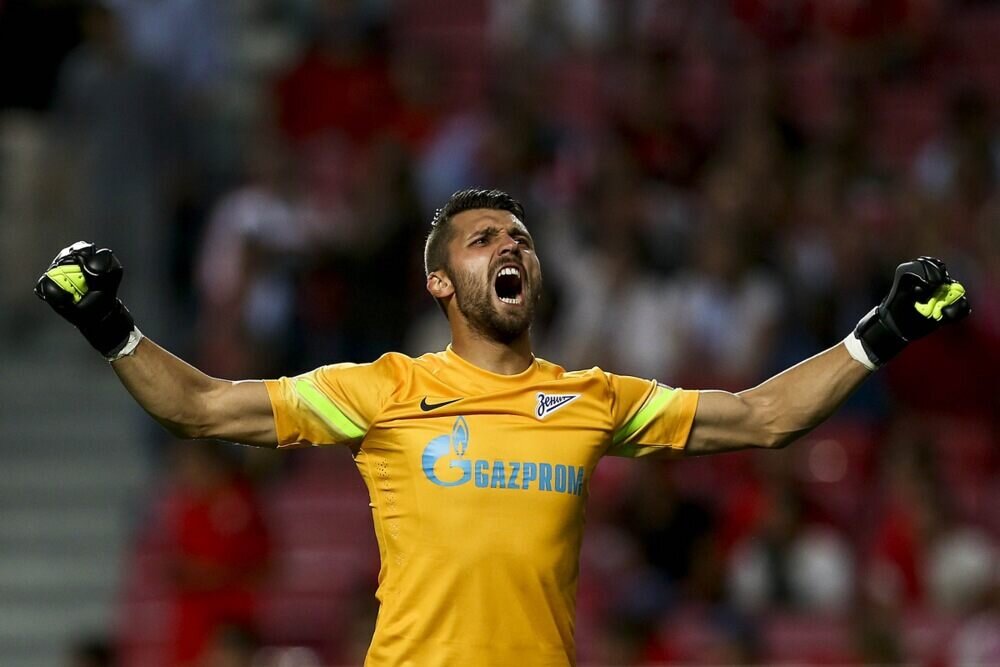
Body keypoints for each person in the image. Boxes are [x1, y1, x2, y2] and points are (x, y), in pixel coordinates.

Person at [35, 188, 969, 666]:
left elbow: (764, 417)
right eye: (483, 238)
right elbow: (200, 406)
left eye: (518, 237)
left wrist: (880, 332)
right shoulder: (384, 389)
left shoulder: (593, 397)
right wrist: (109, 324)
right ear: (442, 282)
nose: (510, 244)